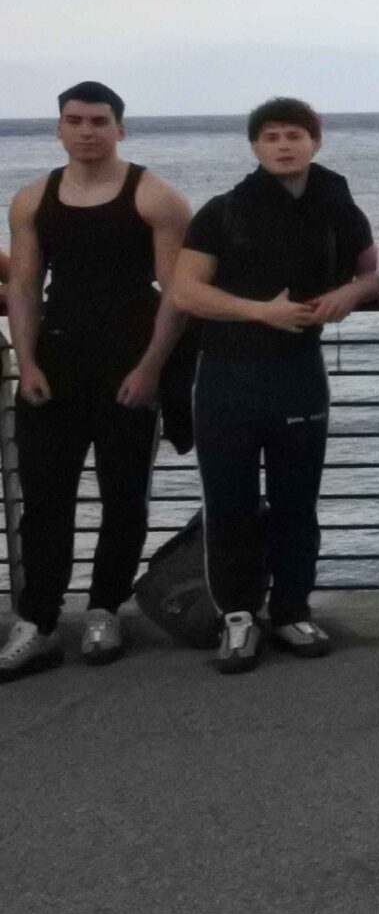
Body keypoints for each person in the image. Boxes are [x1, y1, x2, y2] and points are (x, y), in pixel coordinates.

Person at [170, 98, 379, 674]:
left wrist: (349, 293)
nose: (284, 145)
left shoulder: (339, 208)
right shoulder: (223, 211)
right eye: (271, 136)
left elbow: (375, 274)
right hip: (226, 373)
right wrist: (258, 311)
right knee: (229, 503)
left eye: (294, 134)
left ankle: (291, 610)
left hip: (298, 372)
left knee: (297, 501)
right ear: (255, 147)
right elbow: (185, 290)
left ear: (315, 141)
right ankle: (238, 616)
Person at [1, 83, 191, 679]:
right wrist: (27, 361)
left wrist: (151, 368)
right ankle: (38, 621)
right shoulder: (32, 199)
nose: (86, 131)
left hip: (128, 364)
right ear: (58, 128)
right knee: (45, 500)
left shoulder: (156, 197)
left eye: (99, 121)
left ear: (120, 129)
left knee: (124, 497)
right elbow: (23, 288)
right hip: (55, 363)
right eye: (75, 120)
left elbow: (177, 295)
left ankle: (105, 609)